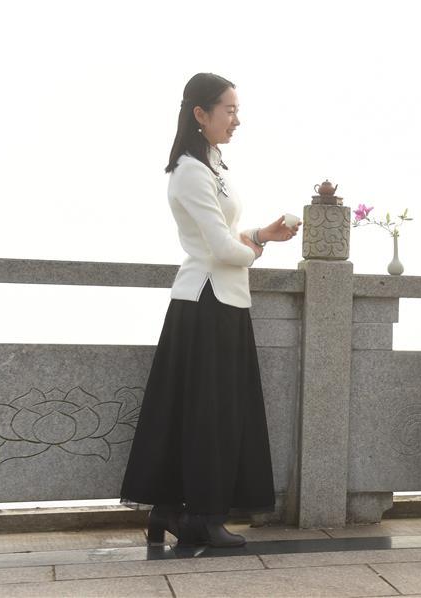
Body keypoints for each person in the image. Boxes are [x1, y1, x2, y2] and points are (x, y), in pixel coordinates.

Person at [120, 73, 299, 547]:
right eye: (229, 110)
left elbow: (226, 237)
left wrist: (260, 234)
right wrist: (255, 246)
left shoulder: (212, 164)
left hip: (223, 301)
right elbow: (221, 248)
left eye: (237, 110)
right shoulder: (190, 171)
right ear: (200, 114)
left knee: (204, 413)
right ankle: (200, 517)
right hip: (205, 302)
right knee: (207, 417)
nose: (236, 119)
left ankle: (167, 511)